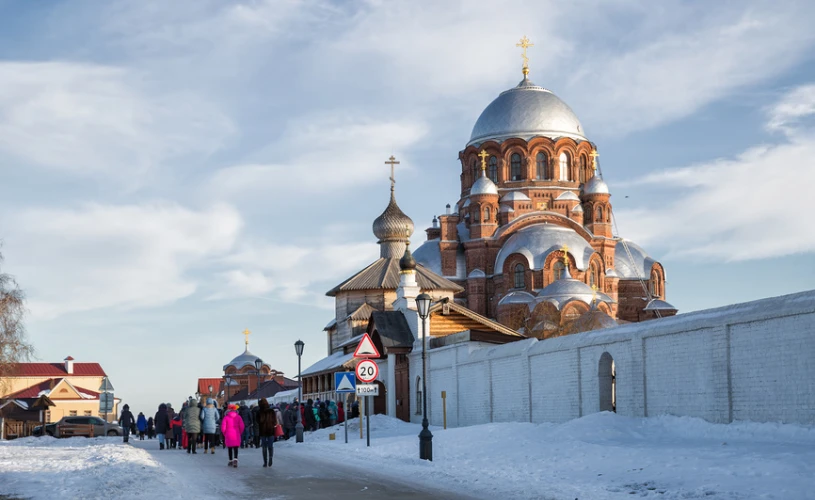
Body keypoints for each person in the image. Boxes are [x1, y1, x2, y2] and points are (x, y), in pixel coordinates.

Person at [221, 404, 245, 468]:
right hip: (236, 434)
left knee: (230, 448)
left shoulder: (226, 417)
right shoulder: (238, 417)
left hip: (228, 434)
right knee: (236, 448)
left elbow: (223, 427)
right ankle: (235, 459)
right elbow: (242, 426)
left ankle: (230, 460)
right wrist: (239, 432)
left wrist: (225, 433)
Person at [256, 398, 277, 468]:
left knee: (264, 447)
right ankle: (270, 457)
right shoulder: (271, 411)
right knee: (270, 446)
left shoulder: (259, 412)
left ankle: (265, 462)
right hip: (270, 430)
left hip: (263, 431)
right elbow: (275, 421)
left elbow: (257, 421)